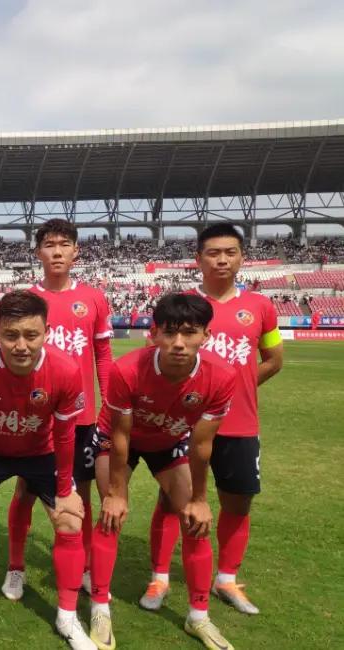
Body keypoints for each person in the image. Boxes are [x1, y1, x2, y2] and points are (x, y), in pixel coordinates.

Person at [140, 224, 283, 616]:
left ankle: (227, 579)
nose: (222, 260)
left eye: (230, 252)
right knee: (172, 500)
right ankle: (159, 576)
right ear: (198, 258)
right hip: (185, 424)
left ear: (242, 257)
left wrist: (233, 390)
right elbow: (154, 353)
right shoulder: (180, 306)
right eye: (213, 253)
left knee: (238, 501)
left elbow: (274, 360)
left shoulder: (260, 306)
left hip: (240, 424)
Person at [0, 290, 94, 650]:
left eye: (31, 335)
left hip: (41, 452)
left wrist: (64, 490)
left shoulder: (65, 370)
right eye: (10, 335)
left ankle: (68, 618)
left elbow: (65, 435)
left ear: (47, 332)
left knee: (70, 520)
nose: (21, 345)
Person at [90, 293, 238, 650]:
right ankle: (99, 608)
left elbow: (202, 445)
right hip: (118, 440)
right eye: (170, 333)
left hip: (169, 440)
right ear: (154, 334)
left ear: (207, 335)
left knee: (194, 520)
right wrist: (116, 492)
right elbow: (120, 435)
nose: (179, 343)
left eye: (189, 332)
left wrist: (200, 499)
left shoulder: (222, 377)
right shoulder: (127, 370)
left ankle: (198, 617)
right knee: (111, 515)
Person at [5, 218, 113, 600]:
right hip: (36, 416)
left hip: (80, 417)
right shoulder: (26, 301)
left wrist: (107, 405)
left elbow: (103, 356)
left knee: (79, 494)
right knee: (25, 490)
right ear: (38, 252)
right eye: (49, 244)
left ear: (75, 251)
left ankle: (83, 567)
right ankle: (15, 567)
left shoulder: (94, 299)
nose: (56, 251)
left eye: (64, 244)